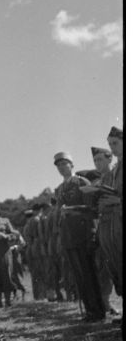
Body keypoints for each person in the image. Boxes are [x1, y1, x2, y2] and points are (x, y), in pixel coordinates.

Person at [53, 152, 105, 322]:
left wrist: (74, 210)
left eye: (64, 164)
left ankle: (98, 312)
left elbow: (92, 210)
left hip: (83, 235)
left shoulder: (82, 182)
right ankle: (89, 311)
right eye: (58, 165)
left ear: (71, 165)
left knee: (89, 274)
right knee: (79, 276)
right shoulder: (59, 189)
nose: (62, 168)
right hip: (69, 237)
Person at [97, 127, 124, 324]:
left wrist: (116, 200)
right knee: (116, 265)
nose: (112, 148)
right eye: (110, 144)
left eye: (115, 143)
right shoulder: (115, 170)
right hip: (113, 222)